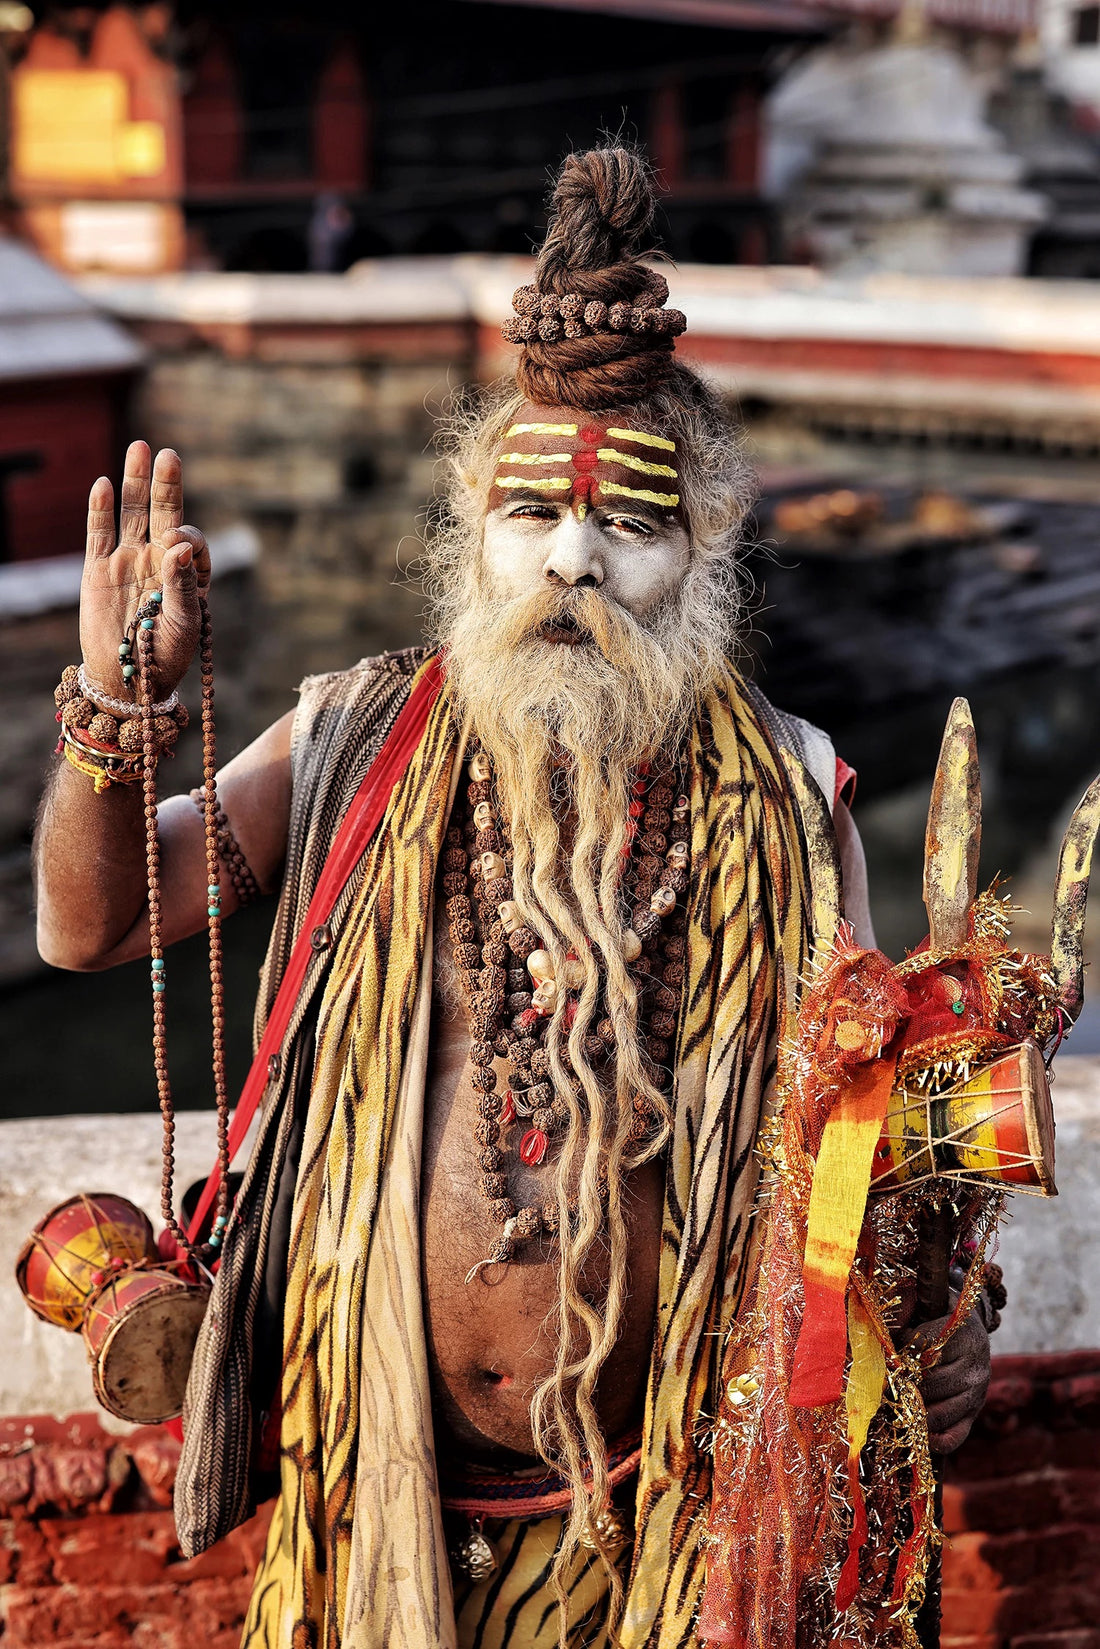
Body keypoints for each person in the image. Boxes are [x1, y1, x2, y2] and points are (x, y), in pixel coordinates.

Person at [34, 148, 992, 1649]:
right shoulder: (355, 736)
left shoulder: (795, 799)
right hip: (385, 1498)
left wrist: (946, 1321)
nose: (573, 560)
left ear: (706, 550)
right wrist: (112, 704)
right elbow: (93, 924)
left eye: (632, 524)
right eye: (531, 514)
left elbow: (866, 1132)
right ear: (471, 529)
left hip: (669, 1518)